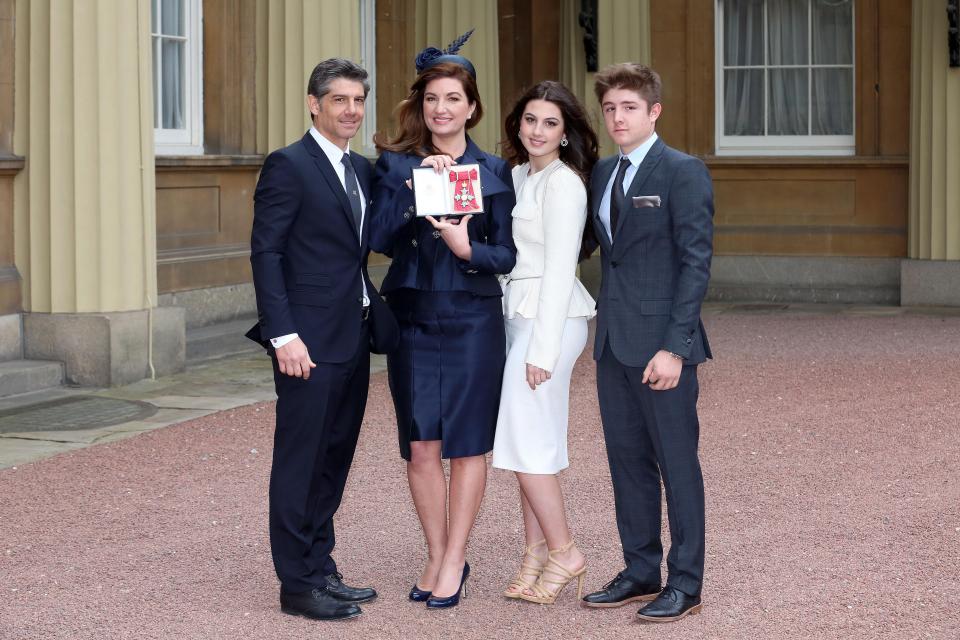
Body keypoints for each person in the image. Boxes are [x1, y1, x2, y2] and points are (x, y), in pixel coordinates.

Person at [246, 58, 398, 622]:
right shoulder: (288, 165)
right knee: (300, 461)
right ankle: (297, 584)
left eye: (358, 100)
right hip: (305, 342)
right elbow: (267, 252)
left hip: (352, 335)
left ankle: (321, 566)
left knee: (334, 458)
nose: (351, 111)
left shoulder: (360, 169)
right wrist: (283, 335)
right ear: (314, 104)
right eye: (339, 100)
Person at [369, 31, 517, 609]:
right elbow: (377, 239)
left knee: (467, 447)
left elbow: (506, 255)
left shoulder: (494, 171)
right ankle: (436, 552)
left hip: (474, 322)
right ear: (420, 105)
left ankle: (456, 557)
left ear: (472, 107)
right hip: (412, 319)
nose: (441, 109)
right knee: (422, 446)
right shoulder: (396, 165)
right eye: (432, 99)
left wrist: (465, 248)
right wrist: (411, 188)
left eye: (453, 98)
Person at [579, 63, 713, 623]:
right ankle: (641, 569)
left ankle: (686, 582)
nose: (617, 117)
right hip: (612, 345)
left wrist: (675, 347)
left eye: (629, 107)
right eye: (609, 108)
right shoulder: (602, 172)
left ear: (654, 111)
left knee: (676, 464)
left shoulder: (683, 171)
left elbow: (695, 261)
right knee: (627, 463)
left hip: (662, 347)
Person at [490, 81, 599, 605]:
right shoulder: (514, 176)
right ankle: (534, 553)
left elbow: (560, 270)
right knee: (534, 440)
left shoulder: (566, 185)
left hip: (550, 323)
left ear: (565, 132)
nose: (537, 131)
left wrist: (542, 351)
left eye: (550, 123)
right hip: (517, 316)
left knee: (525, 437)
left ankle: (565, 551)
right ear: (518, 124)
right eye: (530, 119)